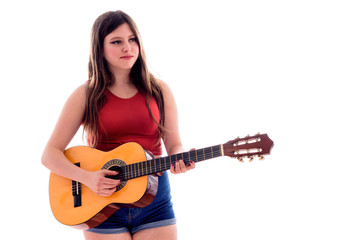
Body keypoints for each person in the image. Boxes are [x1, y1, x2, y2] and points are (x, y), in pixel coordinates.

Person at [41, 10, 195, 240]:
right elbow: (49, 155)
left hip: (154, 199)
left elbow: (175, 146)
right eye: (117, 41)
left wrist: (181, 157)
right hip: (101, 202)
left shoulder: (159, 91)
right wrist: (88, 178)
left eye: (133, 39)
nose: (128, 48)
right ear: (100, 49)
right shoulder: (86, 94)